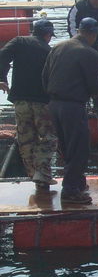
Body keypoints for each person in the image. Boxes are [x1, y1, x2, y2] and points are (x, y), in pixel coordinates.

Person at [42, 17, 98, 205]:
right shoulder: (90, 53)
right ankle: (70, 191)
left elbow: (44, 77)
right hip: (73, 106)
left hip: (54, 104)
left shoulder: (58, 47)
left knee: (65, 147)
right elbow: (96, 86)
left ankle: (77, 183)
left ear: (79, 30)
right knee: (79, 148)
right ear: (94, 34)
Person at [0, 19, 58, 192]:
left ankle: (33, 174)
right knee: (49, 137)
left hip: (20, 101)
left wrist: (2, 78)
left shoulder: (19, 41)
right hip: (42, 101)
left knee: (25, 138)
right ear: (47, 35)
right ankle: (41, 171)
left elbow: (2, 56)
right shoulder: (50, 51)